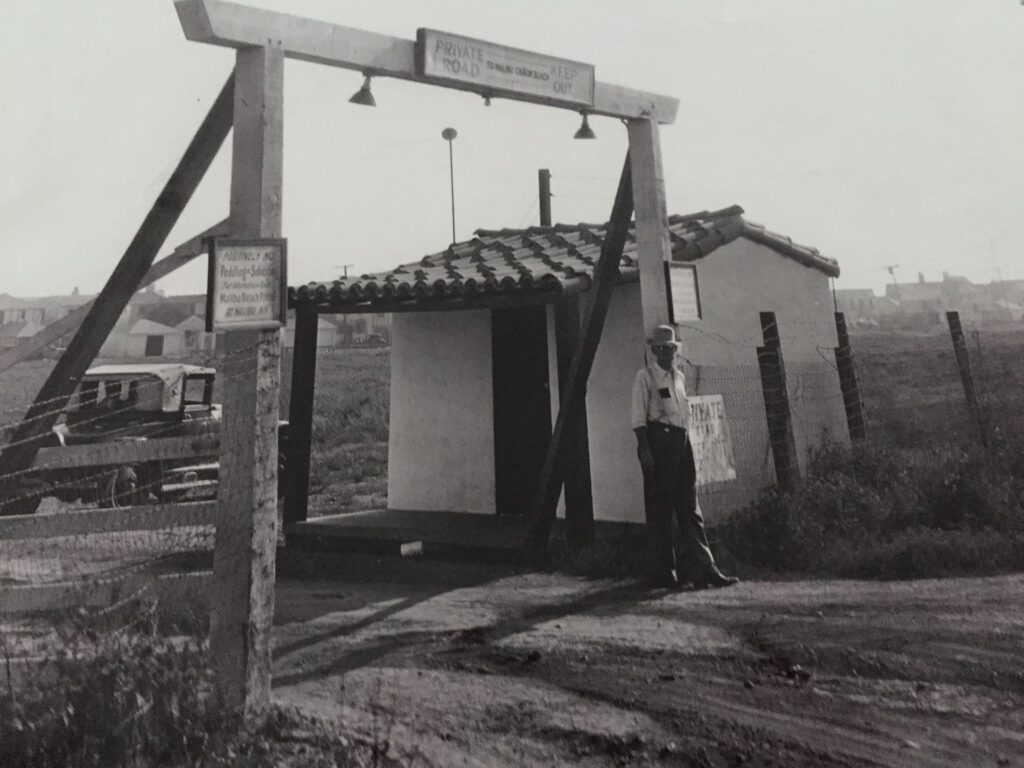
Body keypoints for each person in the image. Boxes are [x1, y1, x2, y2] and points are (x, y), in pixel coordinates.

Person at [631, 325, 739, 590]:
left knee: (690, 507)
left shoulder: (679, 377)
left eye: (671, 348)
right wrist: (645, 451)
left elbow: (682, 416)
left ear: (675, 351)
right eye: (661, 348)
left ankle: (704, 569)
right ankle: (664, 573)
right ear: (654, 350)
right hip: (658, 442)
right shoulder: (645, 377)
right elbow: (638, 418)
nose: (667, 353)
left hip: (681, 442)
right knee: (661, 509)